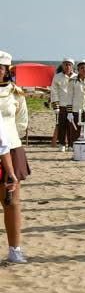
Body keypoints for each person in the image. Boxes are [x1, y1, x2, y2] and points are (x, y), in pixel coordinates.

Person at [0, 51, 31, 264]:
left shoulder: (16, 93)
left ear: (6, 71)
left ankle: (14, 249)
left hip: (10, 147)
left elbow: (22, 121)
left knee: (11, 202)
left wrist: (9, 140)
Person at [50, 57, 75, 151]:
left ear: (72, 66)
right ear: (62, 65)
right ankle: (62, 144)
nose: (67, 67)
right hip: (62, 105)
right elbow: (54, 92)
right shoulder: (57, 77)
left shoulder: (76, 77)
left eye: (69, 65)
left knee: (72, 126)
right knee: (61, 125)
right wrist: (55, 106)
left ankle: (71, 144)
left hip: (73, 105)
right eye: (66, 64)